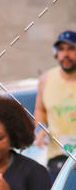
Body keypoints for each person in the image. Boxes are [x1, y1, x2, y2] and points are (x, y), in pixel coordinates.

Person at [34, 30, 76, 182]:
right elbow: (40, 109)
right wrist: (40, 128)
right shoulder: (46, 79)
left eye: (71, 49)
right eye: (61, 49)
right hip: (58, 156)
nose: (66, 54)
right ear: (56, 53)